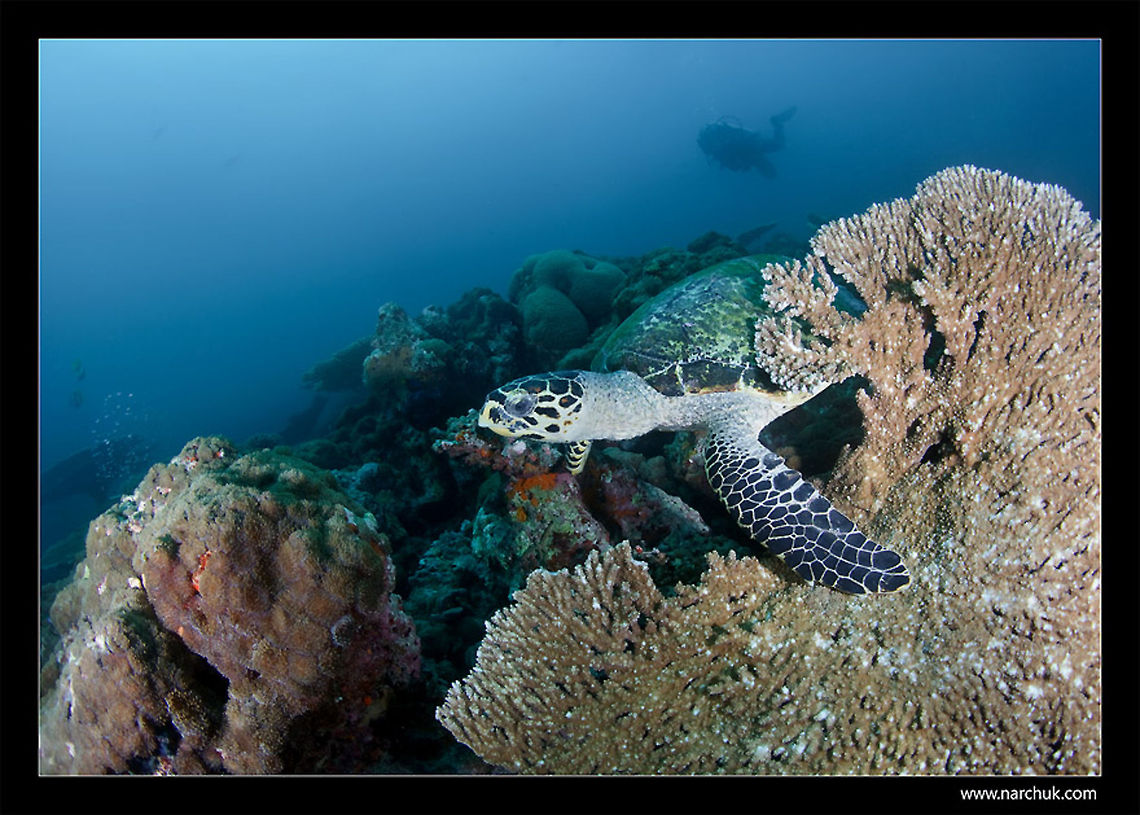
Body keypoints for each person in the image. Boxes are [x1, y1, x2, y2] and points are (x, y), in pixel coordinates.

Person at [698, 106, 797, 177]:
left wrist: (744, 165)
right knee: (777, 148)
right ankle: (776, 122)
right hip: (750, 145)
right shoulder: (718, 148)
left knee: (779, 145)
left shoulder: (718, 151)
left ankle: (776, 122)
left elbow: (734, 165)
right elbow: (734, 163)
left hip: (751, 147)